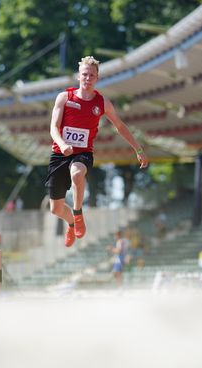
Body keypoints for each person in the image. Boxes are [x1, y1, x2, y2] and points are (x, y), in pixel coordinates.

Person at [45, 56, 149, 247]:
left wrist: (138, 148)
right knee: (55, 208)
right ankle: (70, 222)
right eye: (84, 74)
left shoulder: (102, 103)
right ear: (79, 76)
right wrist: (62, 143)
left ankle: (77, 214)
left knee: (77, 173)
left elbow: (119, 125)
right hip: (61, 153)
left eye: (92, 75)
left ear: (97, 78)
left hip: (83, 153)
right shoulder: (64, 97)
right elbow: (53, 127)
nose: (88, 78)